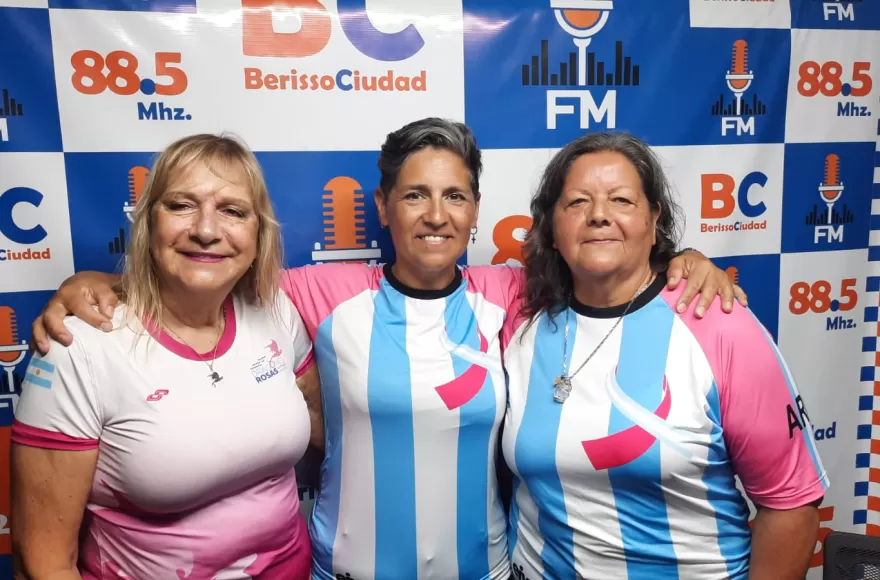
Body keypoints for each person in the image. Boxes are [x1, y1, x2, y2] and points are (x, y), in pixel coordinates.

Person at [29, 119, 746, 580]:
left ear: (474, 211)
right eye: (414, 196)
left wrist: (683, 257)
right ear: (382, 206)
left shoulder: (515, 291)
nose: (436, 214)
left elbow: (605, 260)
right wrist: (97, 283)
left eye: (456, 196)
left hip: (490, 573)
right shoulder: (316, 294)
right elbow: (207, 275)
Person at [500, 132, 828, 580]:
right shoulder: (516, 316)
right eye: (577, 202)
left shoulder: (719, 323)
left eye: (621, 200)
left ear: (654, 220)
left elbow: (791, 506)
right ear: (551, 227)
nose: (599, 216)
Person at [11, 134, 320, 579]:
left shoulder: (276, 310)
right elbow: (41, 561)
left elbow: (325, 424)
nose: (207, 230)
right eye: (180, 205)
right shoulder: (79, 347)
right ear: (147, 222)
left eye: (233, 211)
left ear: (259, 233)